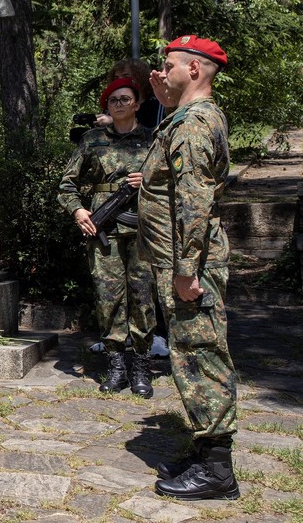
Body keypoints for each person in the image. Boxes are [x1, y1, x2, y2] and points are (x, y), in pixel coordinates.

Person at [138, 35, 239, 501]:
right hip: (181, 257)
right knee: (192, 353)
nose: (163, 71)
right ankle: (206, 452)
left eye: (170, 64)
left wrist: (185, 269)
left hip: (188, 261)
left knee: (200, 355)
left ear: (194, 70)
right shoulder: (187, 116)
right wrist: (164, 101)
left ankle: (217, 471)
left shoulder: (195, 124)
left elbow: (194, 201)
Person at [58, 77, 155, 398]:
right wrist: (78, 212)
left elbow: (174, 184)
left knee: (142, 296)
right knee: (108, 296)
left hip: (143, 229)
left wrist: (150, 181)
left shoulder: (153, 141)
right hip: (103, 229)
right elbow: (67, 184)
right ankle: (116, 365)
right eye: (112, 100)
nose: (118, 104)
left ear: (137, 104)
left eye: (125, 99)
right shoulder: (92, 140)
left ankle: (141, 365)